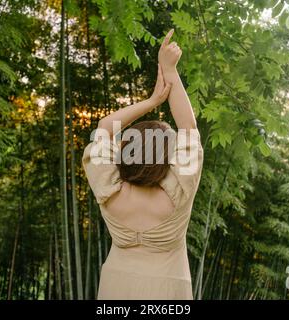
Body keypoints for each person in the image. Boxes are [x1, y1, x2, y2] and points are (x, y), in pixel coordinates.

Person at [82, 29, 204, 299]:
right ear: (167, 158)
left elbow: (104, 128)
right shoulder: (179, 192)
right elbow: (188, 127)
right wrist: (169, 70)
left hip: (116, 287)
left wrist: (152, 101)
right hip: (167, 289)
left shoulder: (108, 189)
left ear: (127, 152)